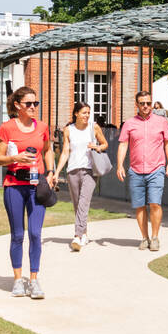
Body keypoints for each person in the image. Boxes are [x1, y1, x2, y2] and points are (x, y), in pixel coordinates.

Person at [0, 86, 57, 299]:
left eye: (35, 103)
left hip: (37, 185)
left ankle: (34, 280)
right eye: (28, 104)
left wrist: (50, 172)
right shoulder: (7, 128)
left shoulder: (42, 127)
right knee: (18, 235)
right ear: (17, 106)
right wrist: (16, 158)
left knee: (36, 234)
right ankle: (17, 280)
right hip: (14, 185)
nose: (33, 107)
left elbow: (48, 150)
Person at [116, 91, 168, 252]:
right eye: (142, 103)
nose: (146, 106)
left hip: (156, 169)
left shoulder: (161, 122)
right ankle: (144, 238)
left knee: (155, 203)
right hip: (135, 170)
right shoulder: (129, 123)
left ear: (152, 103)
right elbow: (123, 145)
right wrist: (120, 165)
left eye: (148, 103)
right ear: (137, 104)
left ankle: (155, 237)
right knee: (140, 206)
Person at [53, 101, 107, 252]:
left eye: (88, 113)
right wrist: (57, 172)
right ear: (76, 113)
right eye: (84, 112)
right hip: (72, 171)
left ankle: (77, 236)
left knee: (83, 203)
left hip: (89, 170)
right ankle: (84, 233)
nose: (87, 115)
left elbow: (104, 144)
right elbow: (65, 152)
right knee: (77, 205)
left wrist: (96, 147)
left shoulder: (93, 127)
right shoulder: (68, 130)